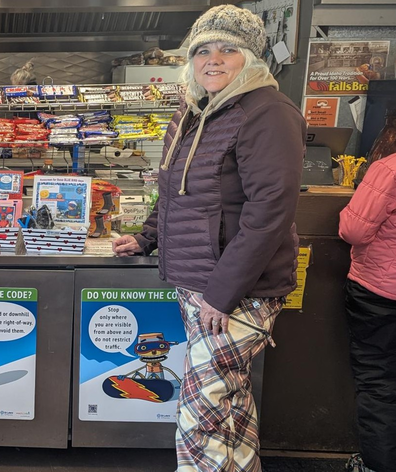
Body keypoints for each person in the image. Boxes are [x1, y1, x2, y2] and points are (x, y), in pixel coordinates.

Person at [111, 5, 306, 471]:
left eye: (227, 49)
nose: (212, 60)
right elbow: (174, 189)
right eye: (202, 50)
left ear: (251, 59)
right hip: (202, 283)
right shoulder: (199, 109)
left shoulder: (268, 112)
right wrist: (147, 238)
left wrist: (222, 294)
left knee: (202, 411)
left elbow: (269, 212)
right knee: (227, 405)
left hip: (236, 292)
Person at [339, 150, 396, 472]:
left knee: (378, 382)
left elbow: (354, 231)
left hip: (380, 292)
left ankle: (378, 465)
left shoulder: (389, 169)